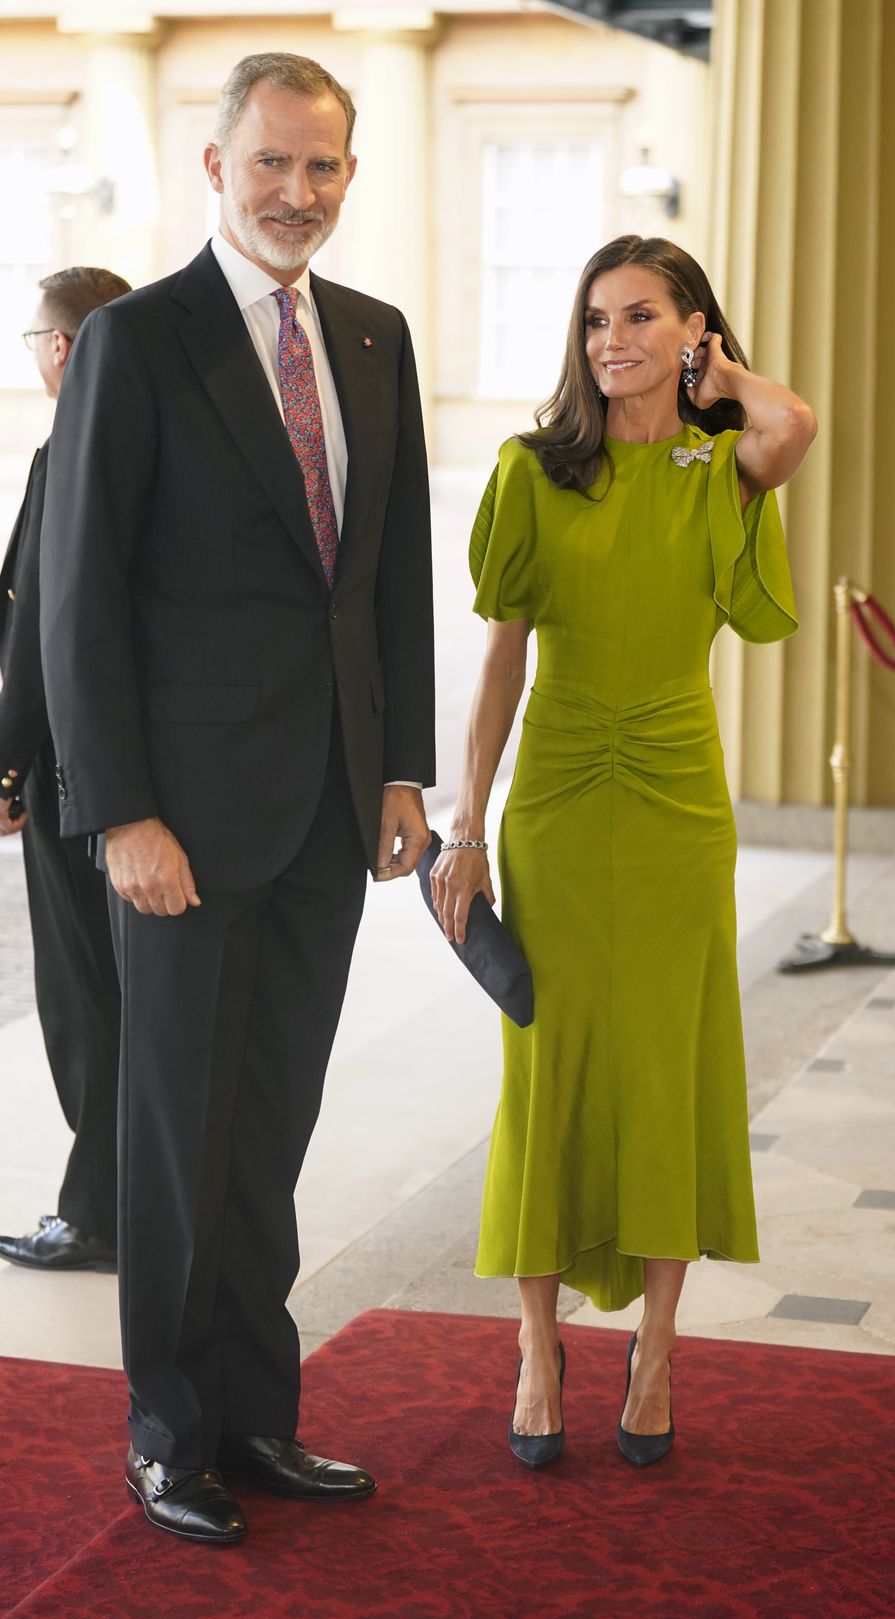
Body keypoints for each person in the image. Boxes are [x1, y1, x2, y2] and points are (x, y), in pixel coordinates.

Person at [39, 52, 434, 1543]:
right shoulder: (141, 342)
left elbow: (385, 569)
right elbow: (79, 602)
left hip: (330, 807)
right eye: (273, 163)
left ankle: (261, 1412)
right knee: (172, 1136)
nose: (300, 194)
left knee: (268, 1127)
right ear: (216, 167)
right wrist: (118, 810)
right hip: (181, 829)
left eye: (325, 167)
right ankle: (167, 1431)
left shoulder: (378, 338)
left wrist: (399, 767)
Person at [431, 234, 816, 1469]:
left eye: (642, 317)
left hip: (676, 810)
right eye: (595, 319)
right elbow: (498, 662)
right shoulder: (529, 472)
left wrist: (718, 377)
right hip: (552, 798)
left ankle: (655, 1341)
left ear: (693, 330)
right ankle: (536, 1344)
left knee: (667, 1067)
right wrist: (465, 825)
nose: (611, 340)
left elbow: (793, 423)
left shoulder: (721, 468)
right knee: (546, 1070)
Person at [0, 267, 130, 1273]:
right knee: (121, 996)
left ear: (65, 347)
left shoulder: (74, 453)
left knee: (85, 1002)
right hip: (125, 770)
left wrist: (6, 767)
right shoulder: (145, 450)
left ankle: (94, 1214)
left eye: (36, 337)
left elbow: (45, 632)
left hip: (70, 773)